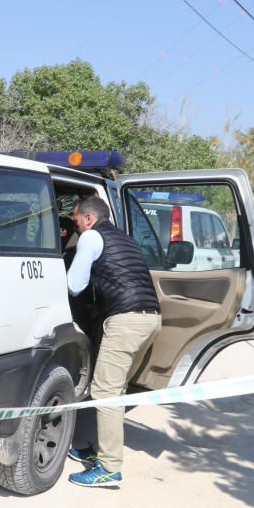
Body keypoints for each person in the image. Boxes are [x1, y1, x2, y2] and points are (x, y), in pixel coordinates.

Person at [65, 195, 161, 488]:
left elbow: (74, 284)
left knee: (105, 392)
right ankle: (100, 452)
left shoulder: (91, 237)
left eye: (76, 219)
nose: (74, 225)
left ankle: (108, 467)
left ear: (90, 219)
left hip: (126, 321)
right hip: (151, 318)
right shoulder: (124, 238)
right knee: (115, 391)